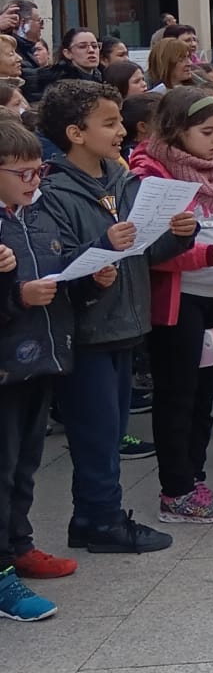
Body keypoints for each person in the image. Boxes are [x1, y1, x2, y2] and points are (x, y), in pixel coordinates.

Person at [40, 80, 199, 550]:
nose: (120, 132)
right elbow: (58, 260)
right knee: (96, 433)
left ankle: (94, 516)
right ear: (75, 132)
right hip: (86, 330)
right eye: (108, 124)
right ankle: (100, 520)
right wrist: (99, 256)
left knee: (109, 430)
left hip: (126, 323)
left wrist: (179, 235)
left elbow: (142, 250)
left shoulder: (122, 180)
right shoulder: (54, 191)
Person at [130, 86, 213, 525]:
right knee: (178, 396)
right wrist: (201, 255)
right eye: (206, 131)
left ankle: (195, 478)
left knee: (204, 396)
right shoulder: (151, 173)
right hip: (179, 305)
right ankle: (175, 490)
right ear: (177, 130)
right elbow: (150, 247)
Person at [0, 114, 76, 619]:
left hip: (39, 358)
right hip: (5, 366)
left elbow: (56, 260)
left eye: (38, 171)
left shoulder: (33, 214)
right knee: (1, 469)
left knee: (25, 463)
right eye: (22, 172)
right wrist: (15, 294)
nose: (34, 181)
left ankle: (19, 544)